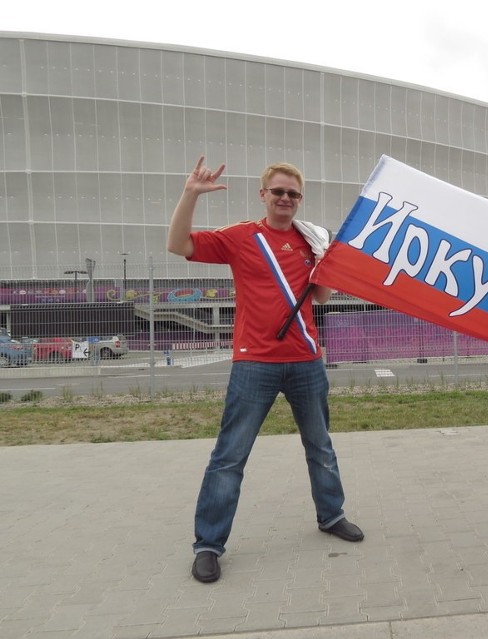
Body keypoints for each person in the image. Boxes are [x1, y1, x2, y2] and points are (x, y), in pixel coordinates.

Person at [168, 156, 364, 584]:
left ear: (300, 199)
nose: (285, 199)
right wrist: (191, 194)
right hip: (254, 363)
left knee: (321, 448)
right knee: (229, 457)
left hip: (306, 361)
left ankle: (332, 516)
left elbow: (324, 298)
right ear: (263, 195)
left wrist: (326, 258)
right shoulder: (241, 237)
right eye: (277, 191)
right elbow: (178, 245)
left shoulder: (311, 239)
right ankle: (208, 545)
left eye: (293, 193)